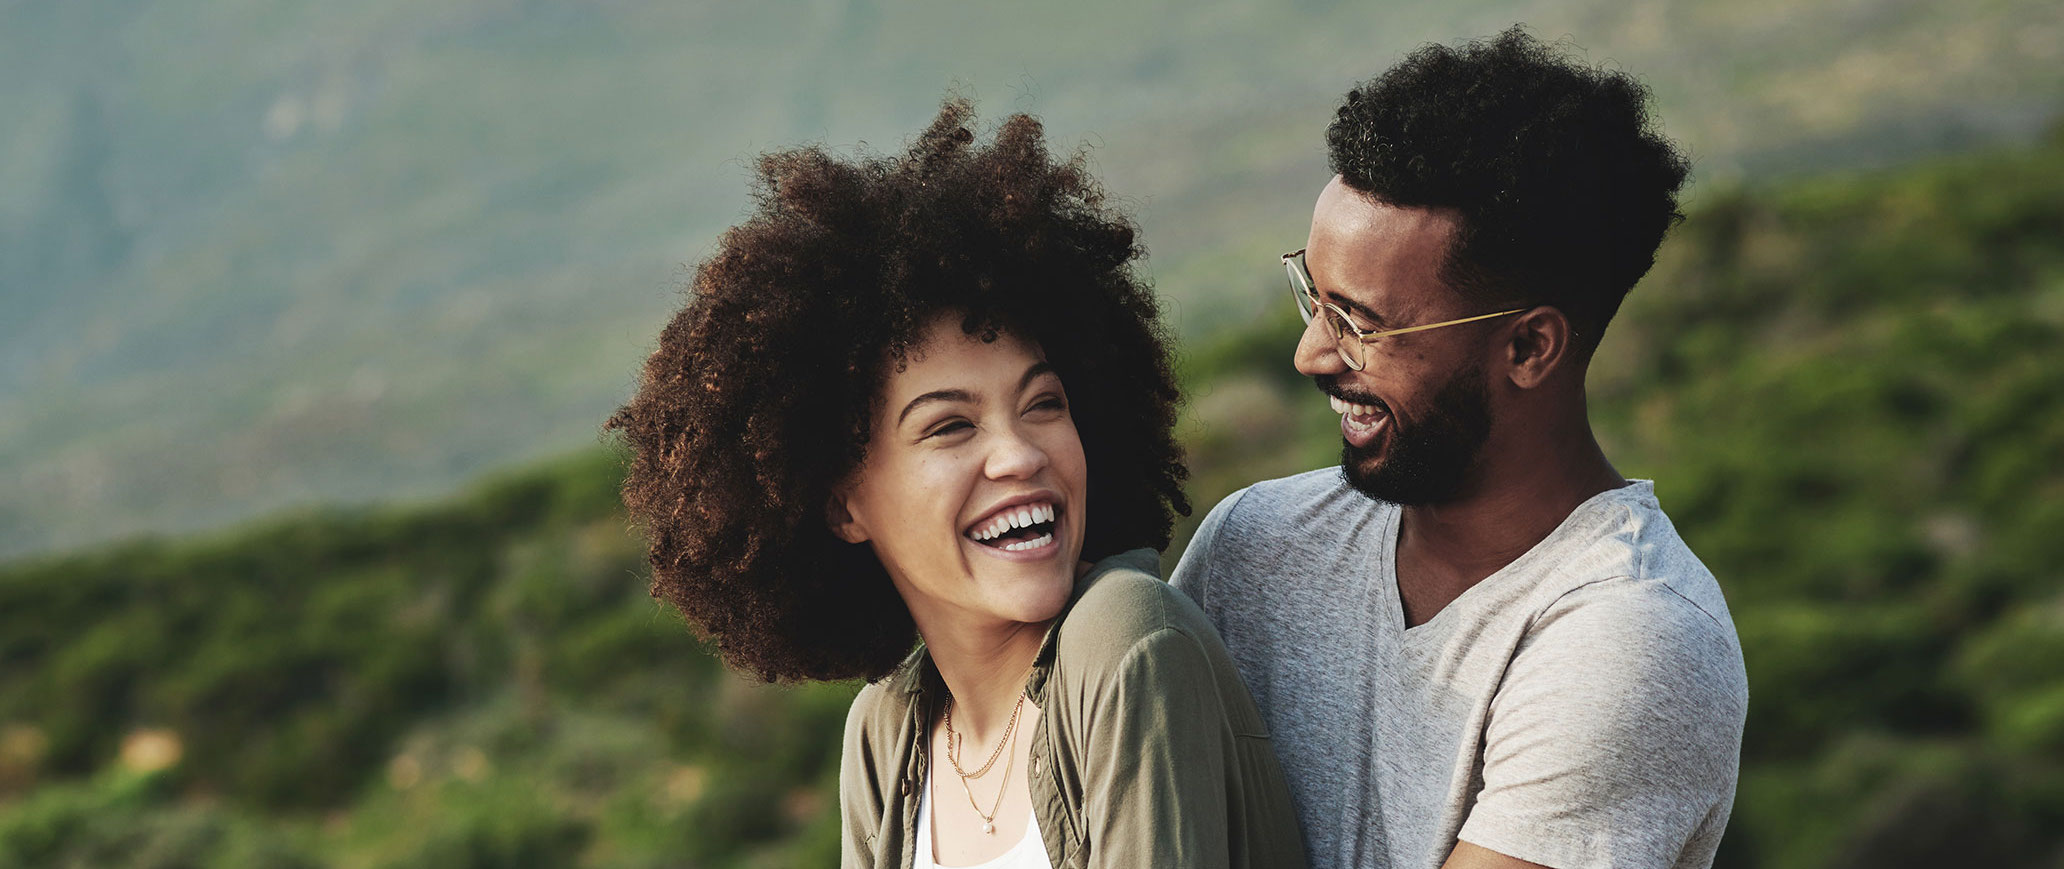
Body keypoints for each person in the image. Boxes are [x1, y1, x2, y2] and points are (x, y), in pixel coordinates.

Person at [609, 100, 1307, 869]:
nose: (1019, 455)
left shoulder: (1126, 641)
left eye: (1044, 403)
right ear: (842, 502)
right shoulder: (885, 734)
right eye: (951, 426)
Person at [1170, 29, 1750, 869]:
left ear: (1529, 349)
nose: (1313, 355)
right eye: (1314, 301)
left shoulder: (1631, 640)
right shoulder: (1257, 545)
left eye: (1360, 324)